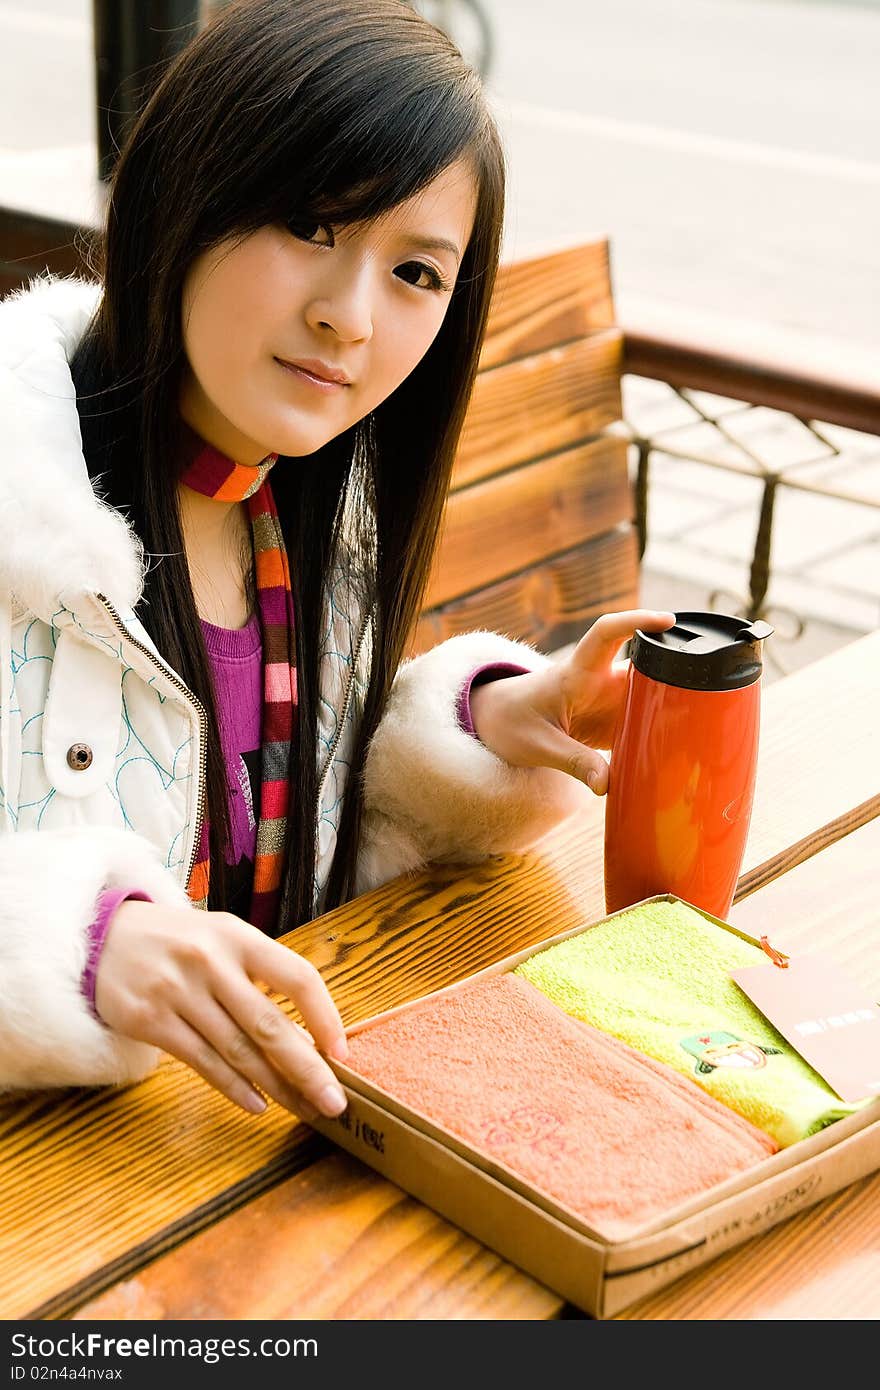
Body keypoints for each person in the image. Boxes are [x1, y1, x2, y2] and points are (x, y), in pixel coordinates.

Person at [0, 0, 672, 1122]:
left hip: (215, 1169)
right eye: (312, 224)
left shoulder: (305, 514)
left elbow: (273, 863)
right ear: (181, 193)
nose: (349, 318)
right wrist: (68, 946)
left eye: (415, 273)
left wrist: (480, 731)